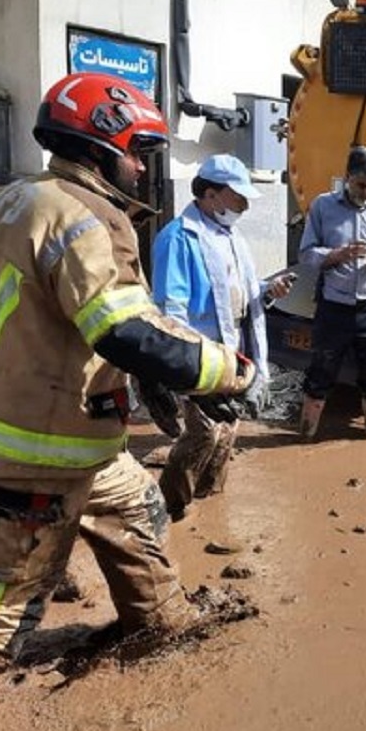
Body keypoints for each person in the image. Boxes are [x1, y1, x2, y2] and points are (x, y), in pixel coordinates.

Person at [0, 72, 254, 731]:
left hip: (66, 437)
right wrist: (226, 371)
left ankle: (159, 626)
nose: (145, 167)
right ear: (104, 148)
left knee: (136, 511)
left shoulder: (12, 200)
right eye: (141, 152)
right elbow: (122, 331)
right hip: (41, 449)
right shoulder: (89, 219)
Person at [149, 154, 295, 521]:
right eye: (238, 197)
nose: (244, 205)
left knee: (228, 428)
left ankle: (212, 503)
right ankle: (170, 506)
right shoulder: (180, 238)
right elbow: (172, 309)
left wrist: (267, 290)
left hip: (233, 355)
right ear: (211, 194)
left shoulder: (230, 237)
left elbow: (239, 295)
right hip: (201, 357)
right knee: (204, 434)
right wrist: (179, 367)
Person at [297, 145, 366, 440]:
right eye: (362, 185)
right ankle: (304, 435)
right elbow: (306, 254)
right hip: (334, 308)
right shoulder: (322, 206)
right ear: (347, 177)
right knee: (319, 376)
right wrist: (336, 254)